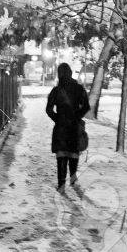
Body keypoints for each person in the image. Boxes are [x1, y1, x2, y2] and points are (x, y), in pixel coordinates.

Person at [46, 62, 91, 191]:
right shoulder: (79, 89)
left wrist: (58, 119)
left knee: (61, 154)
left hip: (61, 127)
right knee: (73, 152)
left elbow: (48, 109)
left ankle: (61, 185)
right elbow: (87, 107)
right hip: (74, 126)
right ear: (71, 73)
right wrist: (77, 116)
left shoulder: (56, 90)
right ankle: (73, 177)